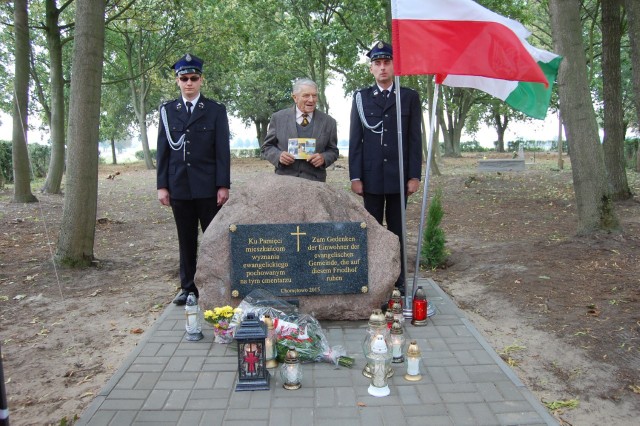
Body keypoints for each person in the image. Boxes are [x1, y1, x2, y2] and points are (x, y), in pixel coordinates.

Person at [157, 53, 231, 305]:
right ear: (177, 81)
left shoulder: (215, 111)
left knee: (212, 238)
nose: (189, 83)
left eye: (193, 78)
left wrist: (223, 185)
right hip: (179, 186)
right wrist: (162, 186)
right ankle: (188, 287)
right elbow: (163, 151)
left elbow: (222, 151)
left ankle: (215, 284)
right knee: (185, 238)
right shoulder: (168, 112)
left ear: (201, 80)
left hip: (208, 186)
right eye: (184, 78)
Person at [349, 41, 423, 294]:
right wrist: (355, 176)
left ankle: (398, 280)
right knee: (370, 229)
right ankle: (371, 276)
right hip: (370, 178)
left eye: (386, 62)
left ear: (394, 66)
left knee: (397, 230)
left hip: (399, 177)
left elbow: (415, 139)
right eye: (377, 63)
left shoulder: (409, 97)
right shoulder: (360, 98)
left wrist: (414, 175)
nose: (382, 68)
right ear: (371, 69)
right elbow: (356, 139)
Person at [262, 78, 339, 182]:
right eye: (306, 95)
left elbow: (333, 151)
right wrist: (279, 156)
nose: (311, 100)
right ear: (295, 97)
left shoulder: (329, 122)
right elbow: (267, 147)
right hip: (284, 182)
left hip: (315, 183)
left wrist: (324, 158)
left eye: (314, 95)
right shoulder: (278, 118)